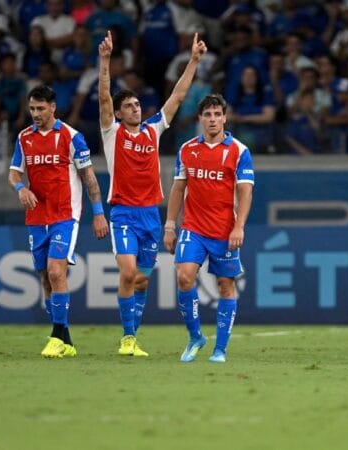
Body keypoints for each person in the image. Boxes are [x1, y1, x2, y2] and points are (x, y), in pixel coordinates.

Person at [97, 30, 206, 357]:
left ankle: (134, 338)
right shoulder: (112, 133)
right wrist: (104, 61)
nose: (135, 109)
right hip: (123, 214)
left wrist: (194, 61)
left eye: (136, 104)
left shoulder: (152, 129)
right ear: (118, 113)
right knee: (128, 273)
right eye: (128, 106)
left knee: (141, 281)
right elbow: (104, 97)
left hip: (150, 215)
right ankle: (127, 339)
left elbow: (178, 96)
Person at [8, 85, 109, 358]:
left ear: (53, 107)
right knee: (45, 278)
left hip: (65, 214)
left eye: (41, 109)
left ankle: (55, 337)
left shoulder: (71, 137)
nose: (36, 114)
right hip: (36, 216)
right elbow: (14, 174)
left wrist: (98, 213)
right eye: (32, 109)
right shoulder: (24, 138)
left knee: (56, 271)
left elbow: (89, 178)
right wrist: (22, 189)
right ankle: (66, 339)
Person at [164, 94, 254, 363]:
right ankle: (195, 337)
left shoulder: (239, 151)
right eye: (207, 115)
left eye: (217, 114)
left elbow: (246, 192)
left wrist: (239, 227)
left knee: (225, 285)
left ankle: (220, 349)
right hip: (193, 227)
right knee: (184, 277)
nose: (213, 119)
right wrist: (170, 225)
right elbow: (178, 188)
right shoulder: (187, 149)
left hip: (225, 231)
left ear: (225, 118)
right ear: (200, 119)